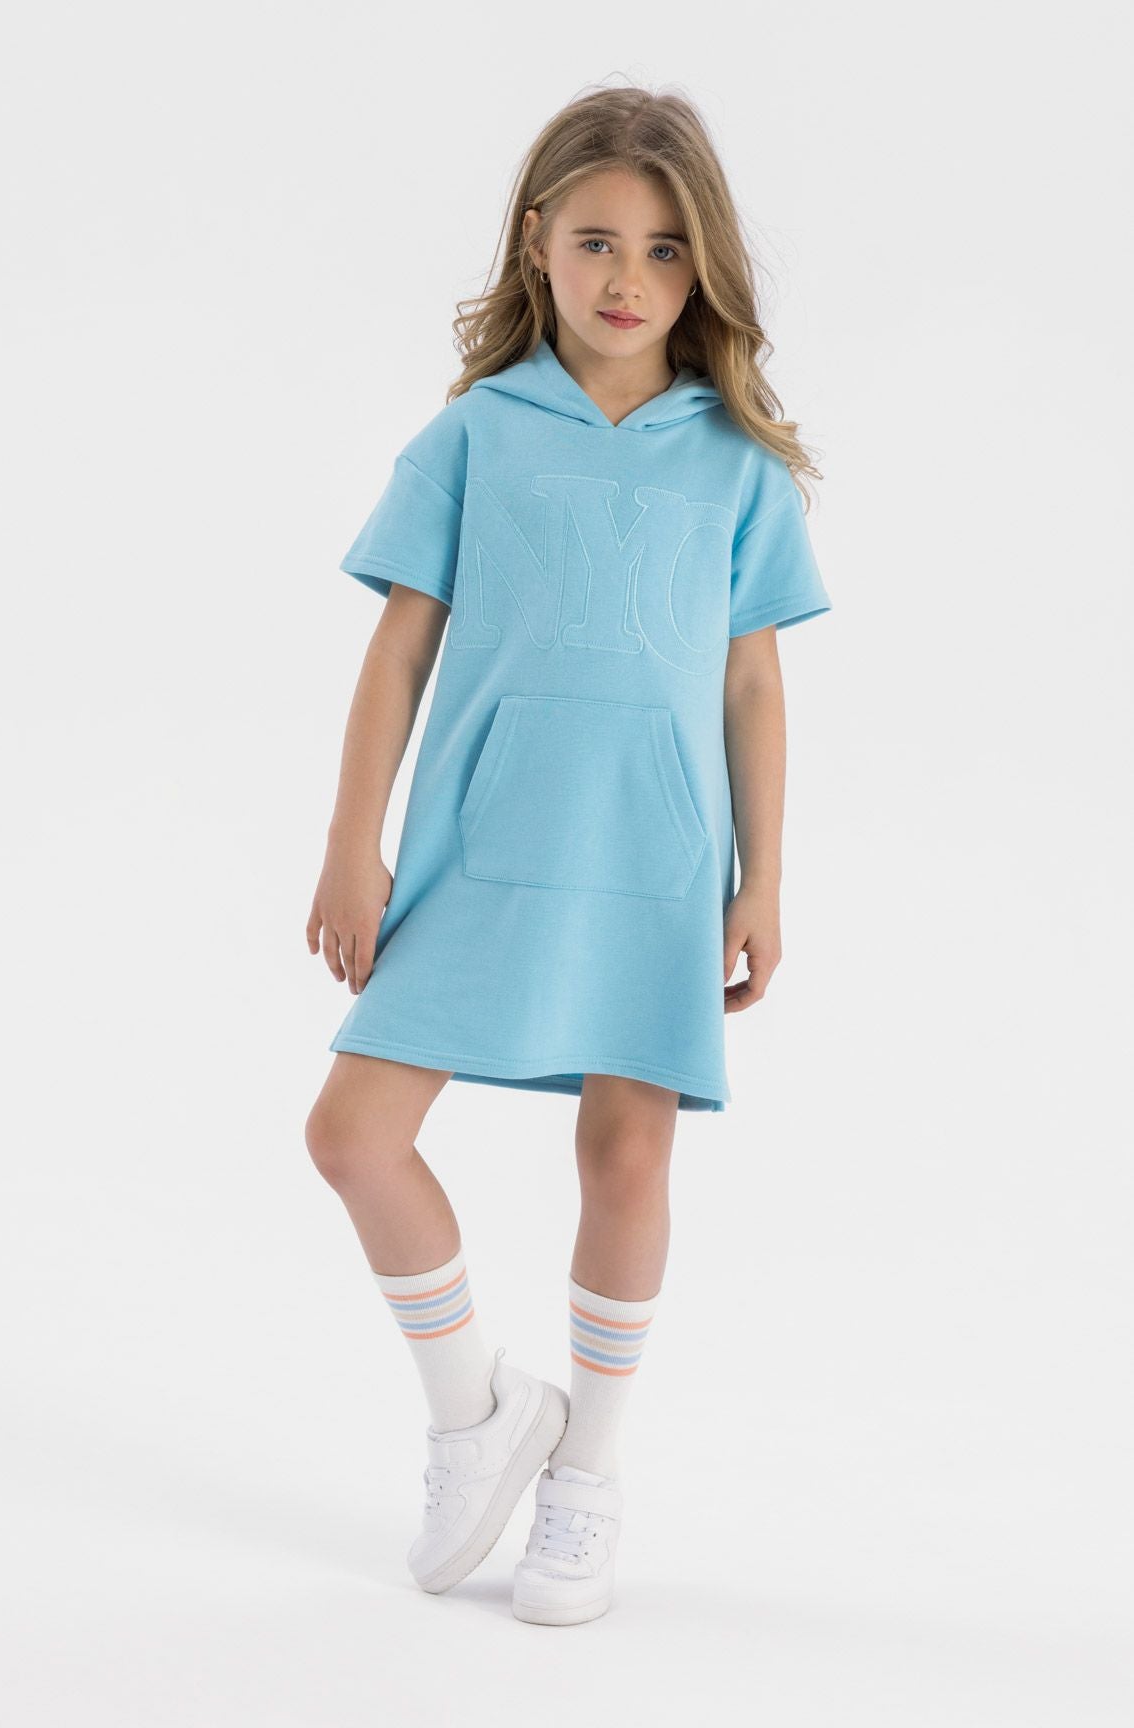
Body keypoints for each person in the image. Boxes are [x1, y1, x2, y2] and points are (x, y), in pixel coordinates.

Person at [304, 82, 832, 1626]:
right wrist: (351, 845)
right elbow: (401, 650)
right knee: (353, 1134)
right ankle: (476, 1411)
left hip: (652, 862)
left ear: (702, 270)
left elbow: (751, 682)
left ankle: (587, 1477)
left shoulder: (733, 463)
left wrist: (765, 877)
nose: (626, 279)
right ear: (537, 241)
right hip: (478, 853)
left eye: (665, 252)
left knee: (626, 1154)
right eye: (597, 240)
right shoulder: (476, 436)